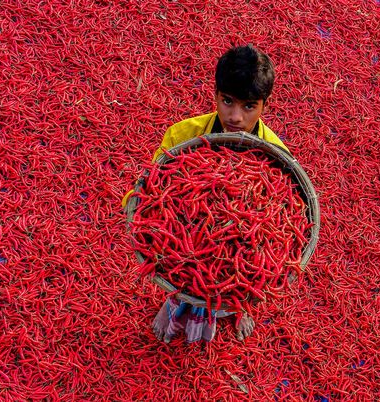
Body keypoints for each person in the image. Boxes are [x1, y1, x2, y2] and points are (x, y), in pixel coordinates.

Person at [124, 44, 289, 343]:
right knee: (187, 268)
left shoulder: (277, 157)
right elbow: (147, 194)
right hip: (186, 252)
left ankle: (241, 308)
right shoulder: (183, 136)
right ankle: (188, 303)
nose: (235, 116)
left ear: (265, 105)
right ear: (214, 95)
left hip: (244, 259)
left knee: (252, 266)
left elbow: (288, 223)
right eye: (227, 101)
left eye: (249, 106)